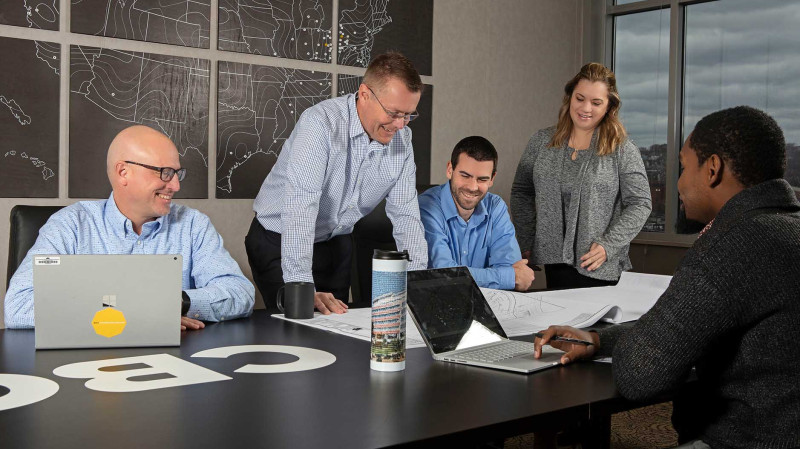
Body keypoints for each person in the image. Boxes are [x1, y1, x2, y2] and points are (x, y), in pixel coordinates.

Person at [534, 106, 800, 448]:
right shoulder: (787, 231)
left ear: (713, 169)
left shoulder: (732, 243)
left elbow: (640, 374)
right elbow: (696, 327)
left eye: (685, 167)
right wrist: (600, 340)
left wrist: (635, 347)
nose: (678, 183)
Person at [4, 125, 255, 330]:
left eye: (178, 173)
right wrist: (133, 313)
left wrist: (178, 301)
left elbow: (240, 294)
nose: (176, 186)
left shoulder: (192, 225)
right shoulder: (70, 225)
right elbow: (19, 307)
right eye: (165, 173)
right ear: (123, 172)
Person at [246, 51, 428, 315]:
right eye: (393, 113)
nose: (400, 125)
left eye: (409, 115)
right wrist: (301, 288)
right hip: (280, 238)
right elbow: (301, 205)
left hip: (337, 242)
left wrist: (416, 285)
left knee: (339, 329)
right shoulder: (320, 123)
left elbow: (406, 215)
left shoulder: (403, 140)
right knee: (297, 324)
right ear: (365, 94)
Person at [511, 62, 651, 289]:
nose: (586, 108)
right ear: (569, 98)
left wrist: (609, 245)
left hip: (599, 264)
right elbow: (522, 191)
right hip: (554, 263)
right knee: (560, 324)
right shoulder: (541, 141)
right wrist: (526, 237)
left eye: (596, 102)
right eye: (580, 98)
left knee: (594, 326)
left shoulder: (622, 149)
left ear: (609, 106)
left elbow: (641, 203)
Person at [418, 136, 534, 291]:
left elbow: (510, 267)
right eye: (465, 176)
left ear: (492, 179)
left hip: (491, 305)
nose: (473, 187)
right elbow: (443, 274)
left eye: (482, 179)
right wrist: (507, 277)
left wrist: (509, 276)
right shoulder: (427, 206)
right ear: (450, 169)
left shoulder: (496, 207)